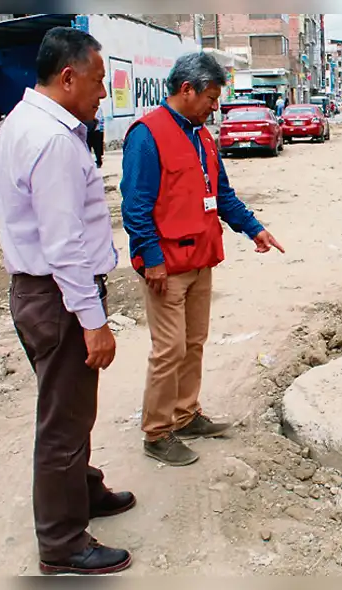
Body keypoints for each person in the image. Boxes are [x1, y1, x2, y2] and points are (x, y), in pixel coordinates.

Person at [0, 26, 133, 576]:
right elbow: (64, 245)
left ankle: (85, 490)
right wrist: (93, 322)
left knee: (73, 407)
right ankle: (62, 543)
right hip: (57, 296)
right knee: (63, 419)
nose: (103, 93)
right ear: (68, 76)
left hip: (41, 294)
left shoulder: (25, 123)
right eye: (98, 82)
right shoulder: (50, 140)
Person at [120, 52, 285, 467]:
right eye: (211, 97)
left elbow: (222, 195)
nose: (216, 107)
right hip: (166, 266)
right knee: (169, 350)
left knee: (193, 343)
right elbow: (136, 206)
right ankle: (157, 432)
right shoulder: (147, 135)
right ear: (187, 89)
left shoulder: (202, 136)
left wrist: (254, 229)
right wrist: (151, 258)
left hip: (200, 259)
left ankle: (186, 414)